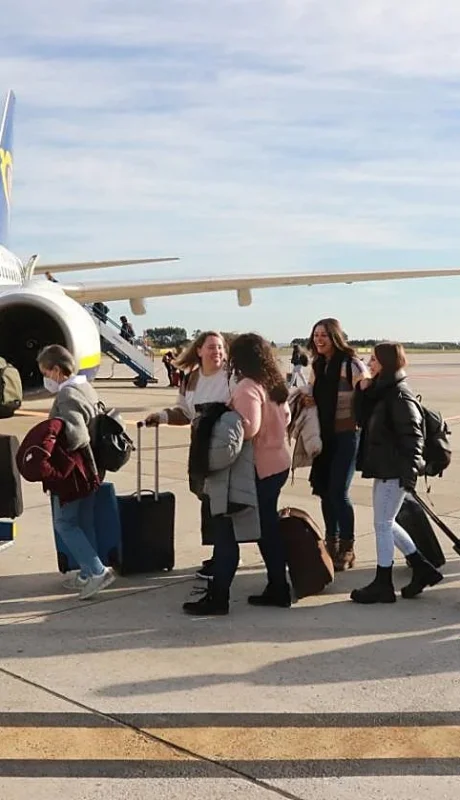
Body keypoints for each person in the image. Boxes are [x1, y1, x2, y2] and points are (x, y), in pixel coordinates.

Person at [182, 333, 291, 616]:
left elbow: (249, 428)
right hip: (279, 463)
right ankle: (279, 587)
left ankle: (218, 597)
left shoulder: (247, 387)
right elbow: (287, 417)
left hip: (257, 469)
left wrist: (223, 416)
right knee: (267, 529)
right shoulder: (273, 384)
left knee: (226, 530)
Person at [350, 342, 443, 603]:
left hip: (395, 470)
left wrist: (409, 474)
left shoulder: (399, 395)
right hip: (385, 467)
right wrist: (362, 390)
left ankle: (383, 584)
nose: (368, 364)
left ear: (386, 363)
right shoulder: (382, 391)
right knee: (386, 523)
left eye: (373, 359)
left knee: (383, 524)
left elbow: (414, 438)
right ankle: (422, 568)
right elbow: (361, 419)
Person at [145, 331, 231, 579]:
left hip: (226, 447)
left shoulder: (232, 376)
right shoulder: (191, 378)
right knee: (207, 499)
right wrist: (162, 417)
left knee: (223, 503)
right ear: (199, 351)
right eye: (211, 347)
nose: (217, 352)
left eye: (220, 347)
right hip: (201, 448)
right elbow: (184, 413)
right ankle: (219, 553)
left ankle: (224, 557)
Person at [37, 344, 116, 600]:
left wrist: (54, 443)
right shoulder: (86, 387)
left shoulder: (66, 395)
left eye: (46, 373)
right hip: (93, 469)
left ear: (57, 370)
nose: (47, 379)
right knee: (83, 520)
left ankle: (97, 571)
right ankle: (85, 573)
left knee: (65, 523)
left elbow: (77, 435)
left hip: (76, 472)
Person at [307, 318, 370, 570]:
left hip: (346, 435)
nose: (319, 339)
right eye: (316, 335)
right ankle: (330, 542)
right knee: (324, 490)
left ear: (335, 337)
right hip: (324, 435)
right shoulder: (318, 365)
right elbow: (311, 391)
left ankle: (347, 547)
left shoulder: (350, 363)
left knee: (338, 492)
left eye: (324, 335)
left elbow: (367, 389)